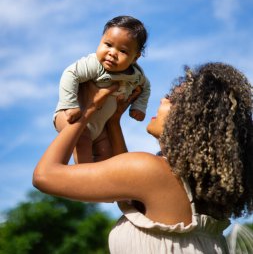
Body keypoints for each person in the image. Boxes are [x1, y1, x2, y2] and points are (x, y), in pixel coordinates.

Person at [33, 62, 253, 253]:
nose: (162, 100)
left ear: (192, 119)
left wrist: (86, 110)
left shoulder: (152, 170)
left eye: (173, 100)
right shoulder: (200, 191)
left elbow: (44, 176)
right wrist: (113, 121)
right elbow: (127, 187)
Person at [54, 15, 150, 163]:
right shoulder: (94, 65)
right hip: (71, 116)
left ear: (135, 57)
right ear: (100, 41)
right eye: (108, 44)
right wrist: (70, 104)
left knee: (106, 154)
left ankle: (95, 182)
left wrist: (139, 106)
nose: (112, 53)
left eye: (123, 51)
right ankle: (82, 177)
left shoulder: (136, 75)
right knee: (82, 140)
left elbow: (146, 87)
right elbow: (70, 74)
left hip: (101, 126)